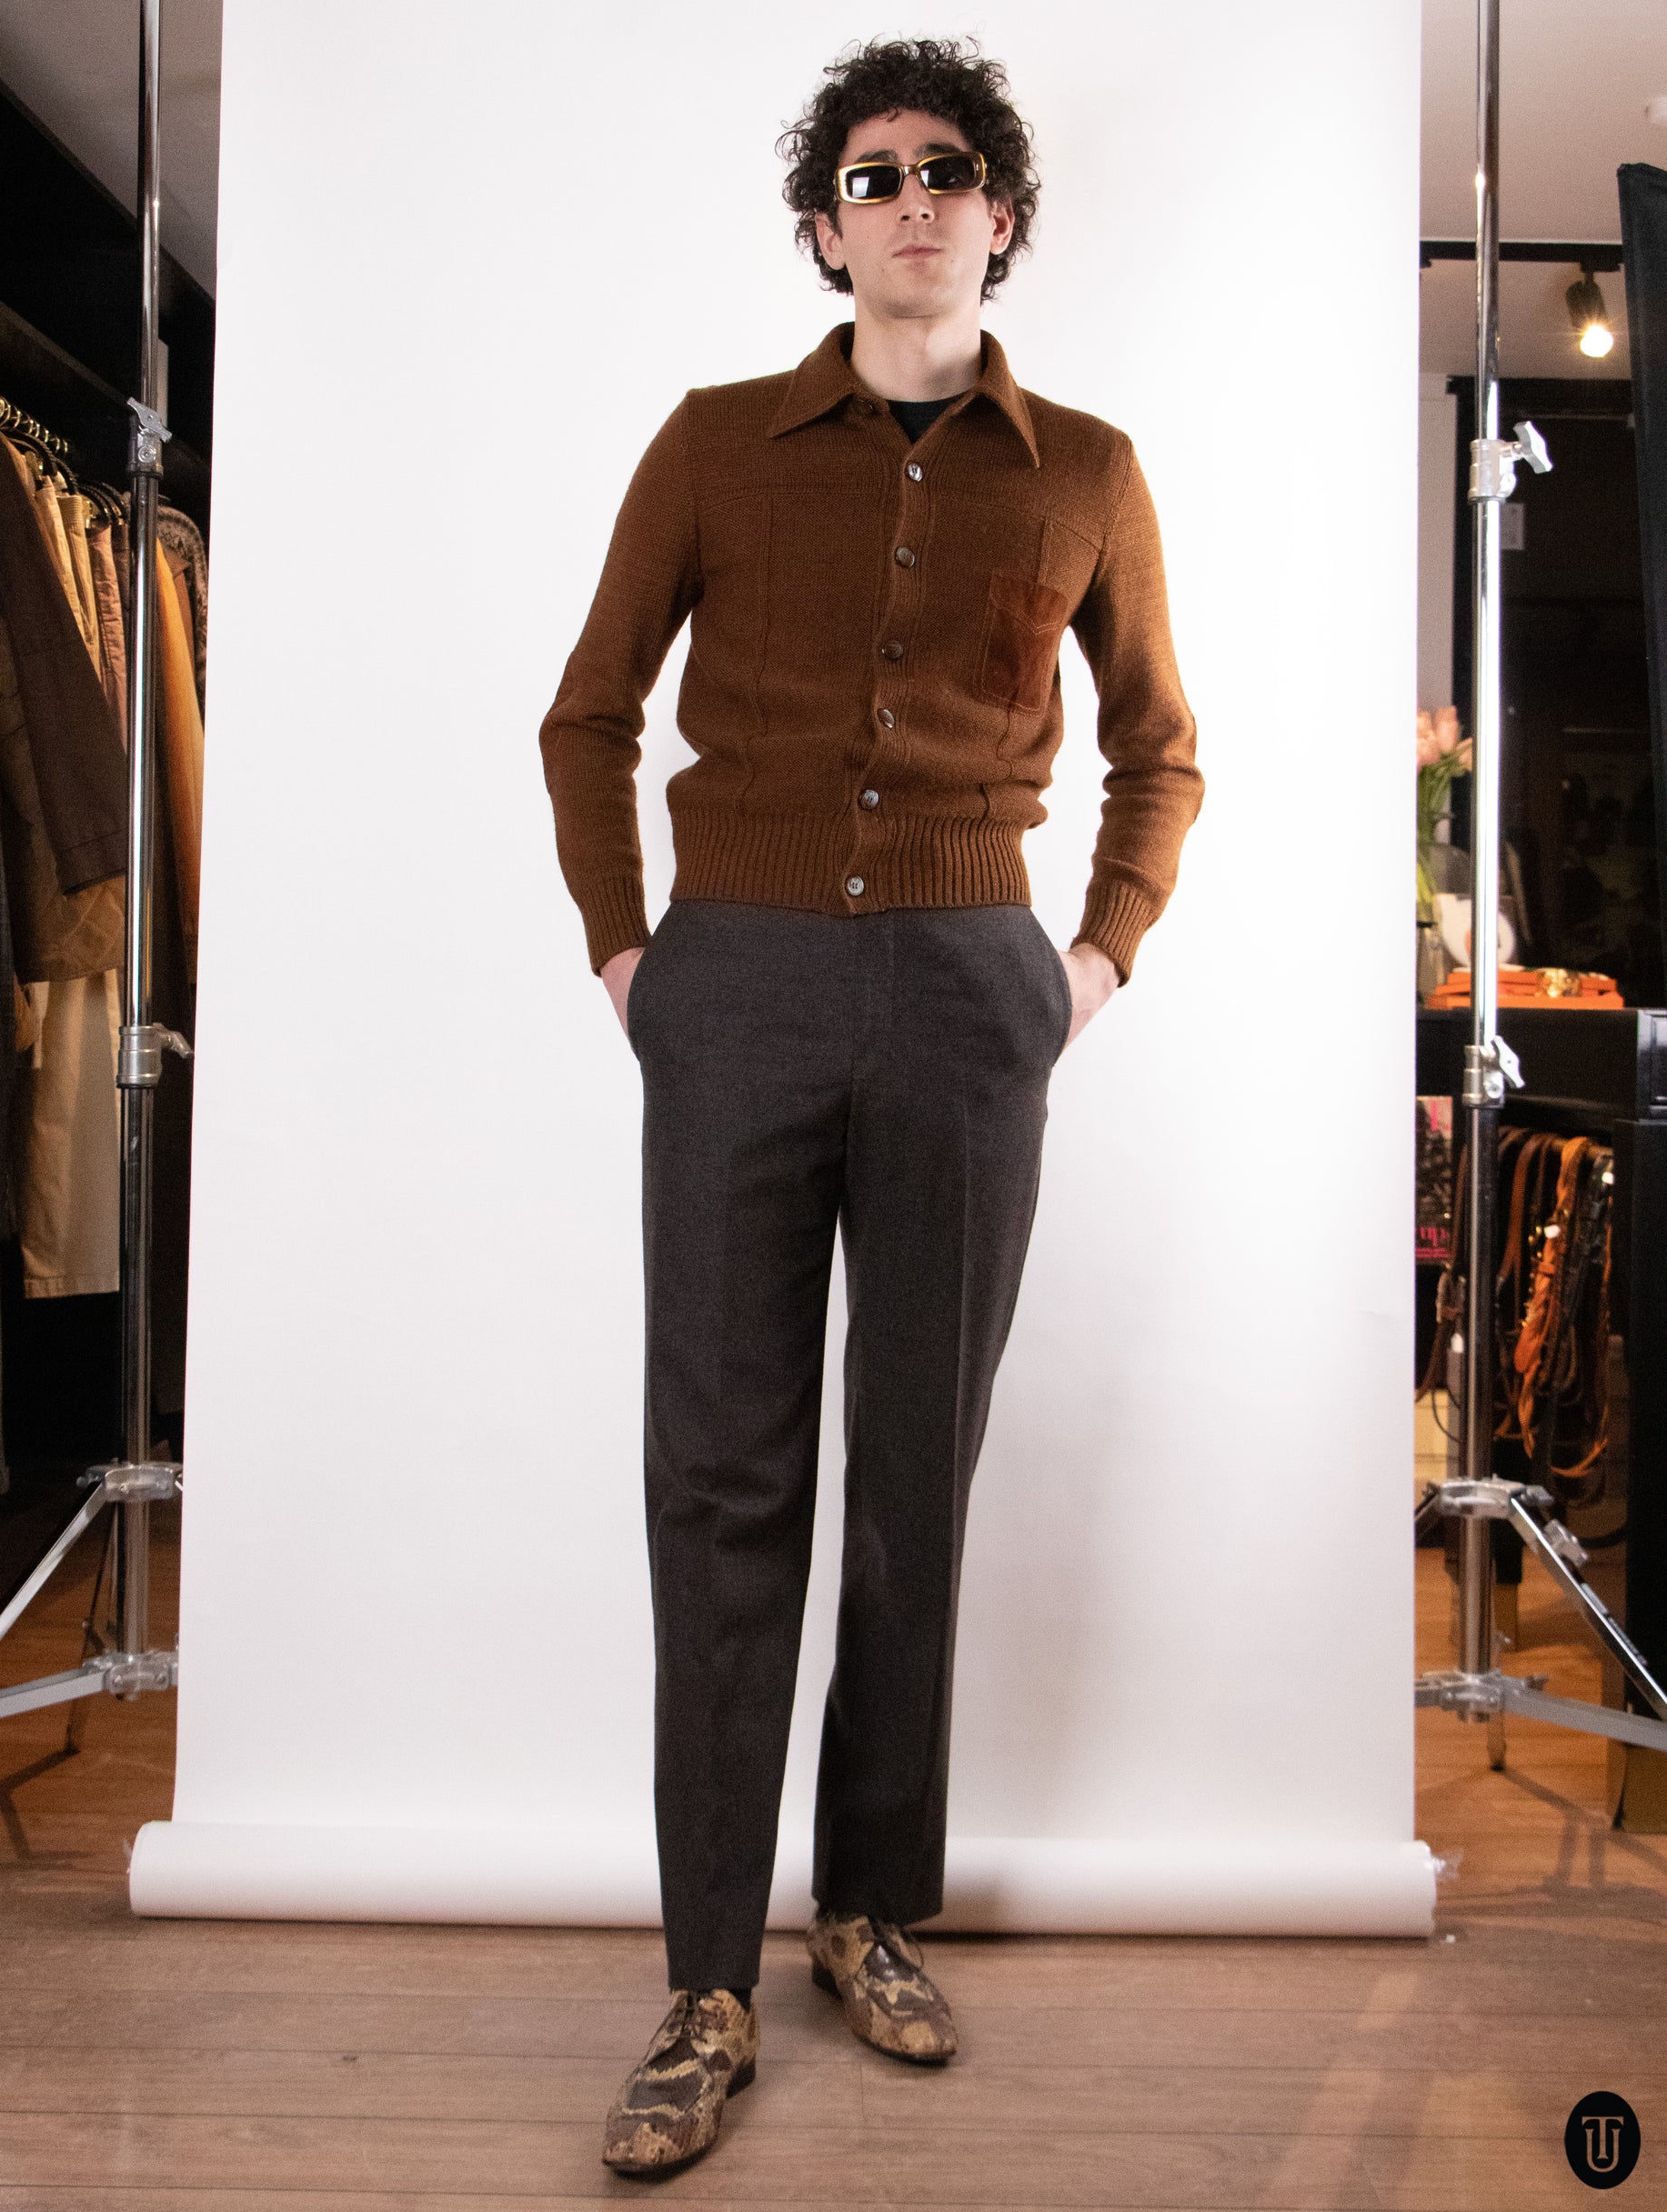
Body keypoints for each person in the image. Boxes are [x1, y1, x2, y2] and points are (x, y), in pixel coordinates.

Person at [537, 35, 1203, 2178]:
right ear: (826, 229)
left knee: (913, 1471)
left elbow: (1162, 750)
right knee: (722, 1475)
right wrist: (633, 956)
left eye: (949, 169)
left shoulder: (1084, 470)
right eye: (871, 173)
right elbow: (586, 711)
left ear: (1000, 215)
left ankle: (868, 1910)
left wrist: (1085, 964)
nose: (912, 199)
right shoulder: (715, 445)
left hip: (966, 995)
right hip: (730, 988)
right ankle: (705, 1977)